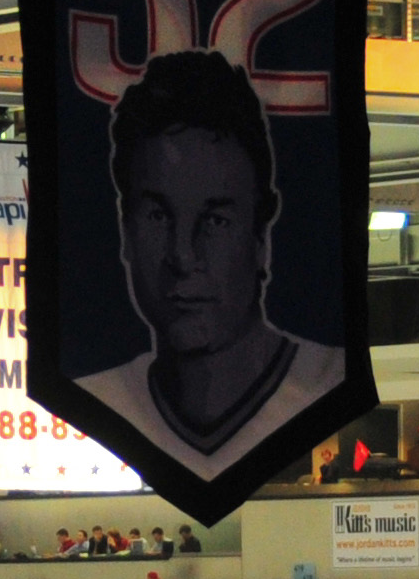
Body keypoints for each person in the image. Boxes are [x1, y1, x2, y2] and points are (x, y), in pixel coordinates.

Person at [74, 47, 346, 478]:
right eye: (159, 216)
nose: (183, 255)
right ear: (125, 230)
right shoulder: (98, 396)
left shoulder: (325, 381)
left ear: (261, 233)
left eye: (216, 221)